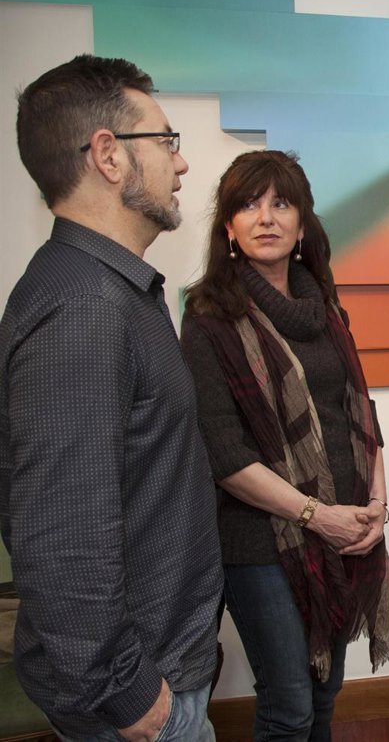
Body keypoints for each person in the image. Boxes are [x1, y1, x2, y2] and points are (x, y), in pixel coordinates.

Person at [0, 55, 222, 740]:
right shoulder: (85, 309)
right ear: (109, 155)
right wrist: (128, 696)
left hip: (156, 668)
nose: (181, 163)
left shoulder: (111, 291)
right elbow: (61, 534)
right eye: (166, 140)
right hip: (137, 699)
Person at [180, 150, 389, 740]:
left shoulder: (326, 307)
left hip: (343, 529)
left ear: (303, 223)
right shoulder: (207, 317)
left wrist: (376, 506)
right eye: (249, 204)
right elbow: (222, 452)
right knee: (290, 706)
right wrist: (316, 515)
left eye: (281, 203)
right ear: (229, 227)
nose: (266, 217)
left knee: (325, 695)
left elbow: (361, 414)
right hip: (260, 539)